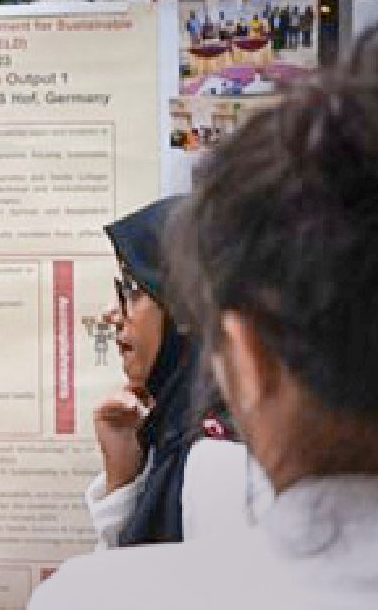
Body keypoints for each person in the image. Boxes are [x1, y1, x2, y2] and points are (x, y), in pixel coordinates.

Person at [30, 28, 378, 609]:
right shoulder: (169, 446)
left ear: (246, 358)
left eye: (133, 291)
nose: (113, 318)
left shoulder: (97, 594)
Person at [87, 199, 267, 549]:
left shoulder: (220, 460)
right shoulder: (172, 432)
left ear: (184, 309)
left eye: (132, 289)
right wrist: (123, 480)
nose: (111, 313)